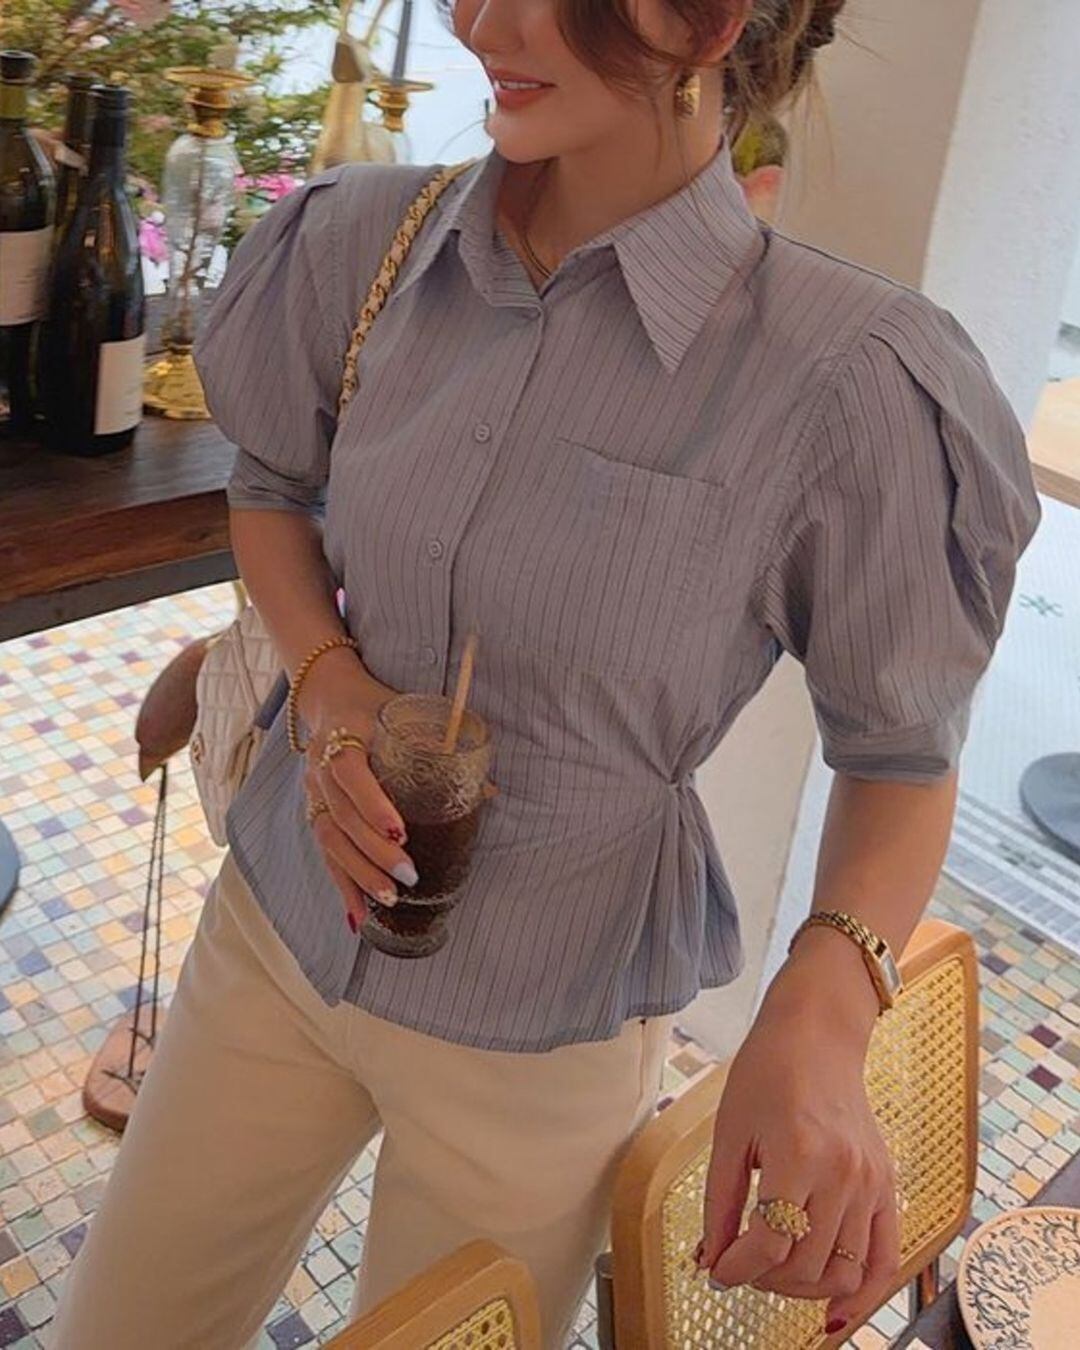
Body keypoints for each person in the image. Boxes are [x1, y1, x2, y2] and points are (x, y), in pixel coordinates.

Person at [51, 1, 1042, 1347]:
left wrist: (824, 1004)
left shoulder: (845, 381)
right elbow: (273, 490)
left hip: (545, 1023)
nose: (479, 21)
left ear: (711, 20)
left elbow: (900, 752)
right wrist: (329, 688)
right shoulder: (360, 244)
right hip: (279, 930)